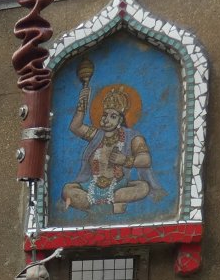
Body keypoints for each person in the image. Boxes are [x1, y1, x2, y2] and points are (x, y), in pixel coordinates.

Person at [61, 81, 165, 214]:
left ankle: (97, 208)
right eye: (105, 115)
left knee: (143, 187)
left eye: (113, 116)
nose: (106, 119)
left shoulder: (133, 137)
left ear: (120, 121)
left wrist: (125, 160)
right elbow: (75, 127)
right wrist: (82, 104)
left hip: (118, 188)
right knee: (67, 190)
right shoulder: (97, 134)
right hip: (92, 186)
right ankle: (109, 209)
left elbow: (146, 160)